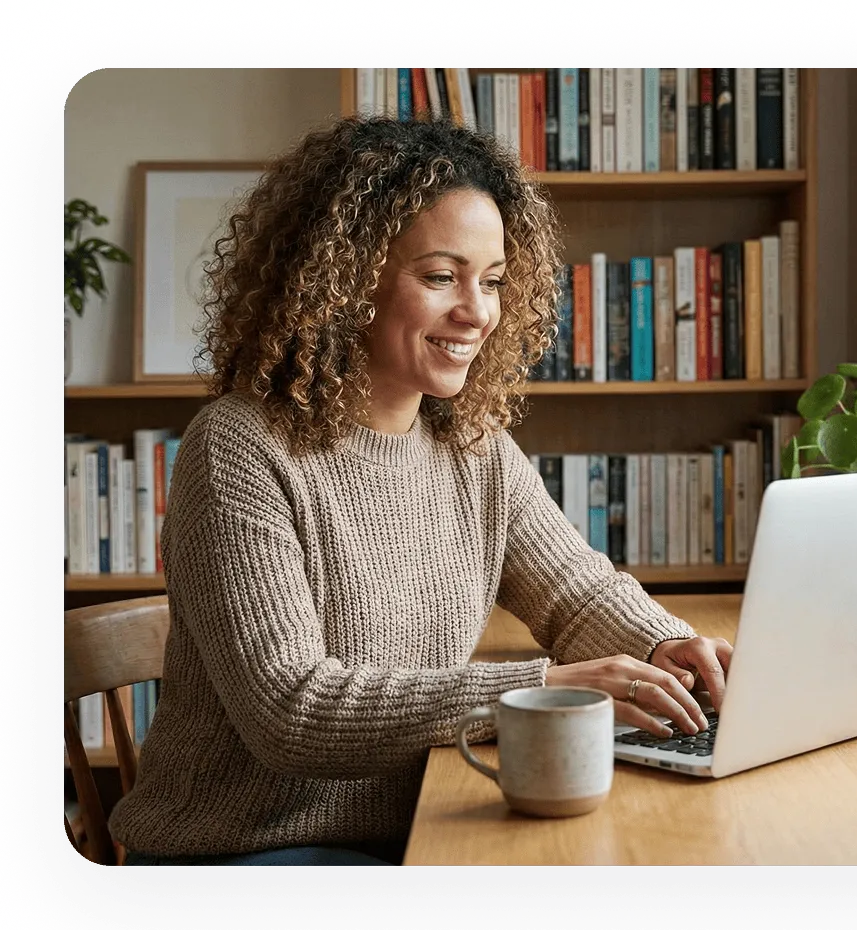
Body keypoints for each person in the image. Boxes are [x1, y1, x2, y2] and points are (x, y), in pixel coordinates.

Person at [108, 116, 733, 866]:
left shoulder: (468, 443)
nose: (477, 312)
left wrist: (667, 645)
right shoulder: (240, 446)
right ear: (344, 282)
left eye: (494, 281)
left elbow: (576, 594)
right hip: (244, 857)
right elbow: (291, 711)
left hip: (413, 832)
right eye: (441, 276)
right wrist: (541, 687)